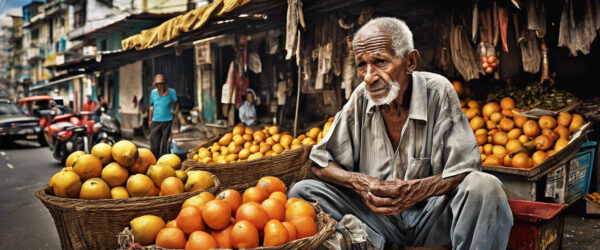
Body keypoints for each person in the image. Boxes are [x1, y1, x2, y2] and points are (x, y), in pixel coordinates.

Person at [289, 17, 512, 249]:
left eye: (380, 62)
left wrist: (415, 191)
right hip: (377, 221)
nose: (368, 76)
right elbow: (320, 163)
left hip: (431, 217)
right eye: (361, 65)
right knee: (302, 192)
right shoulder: (360, 97)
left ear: (410, 62)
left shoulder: (438, 92)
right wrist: (359, 181)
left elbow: (465, 168)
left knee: (485, 187)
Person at [149, 74, 179, 157]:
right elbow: (151, 106)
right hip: (156, 121)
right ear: (155, 85)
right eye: (157, 84)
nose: (160, 86)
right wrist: (149, 120)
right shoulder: (153, 93)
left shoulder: (171, 92)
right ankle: (155, 160)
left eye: (161, 84)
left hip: (168, 121)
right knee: (154, 144)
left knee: (166, 144)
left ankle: (165, 160)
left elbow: (176, 104)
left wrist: (175, 113)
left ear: (165, 84)